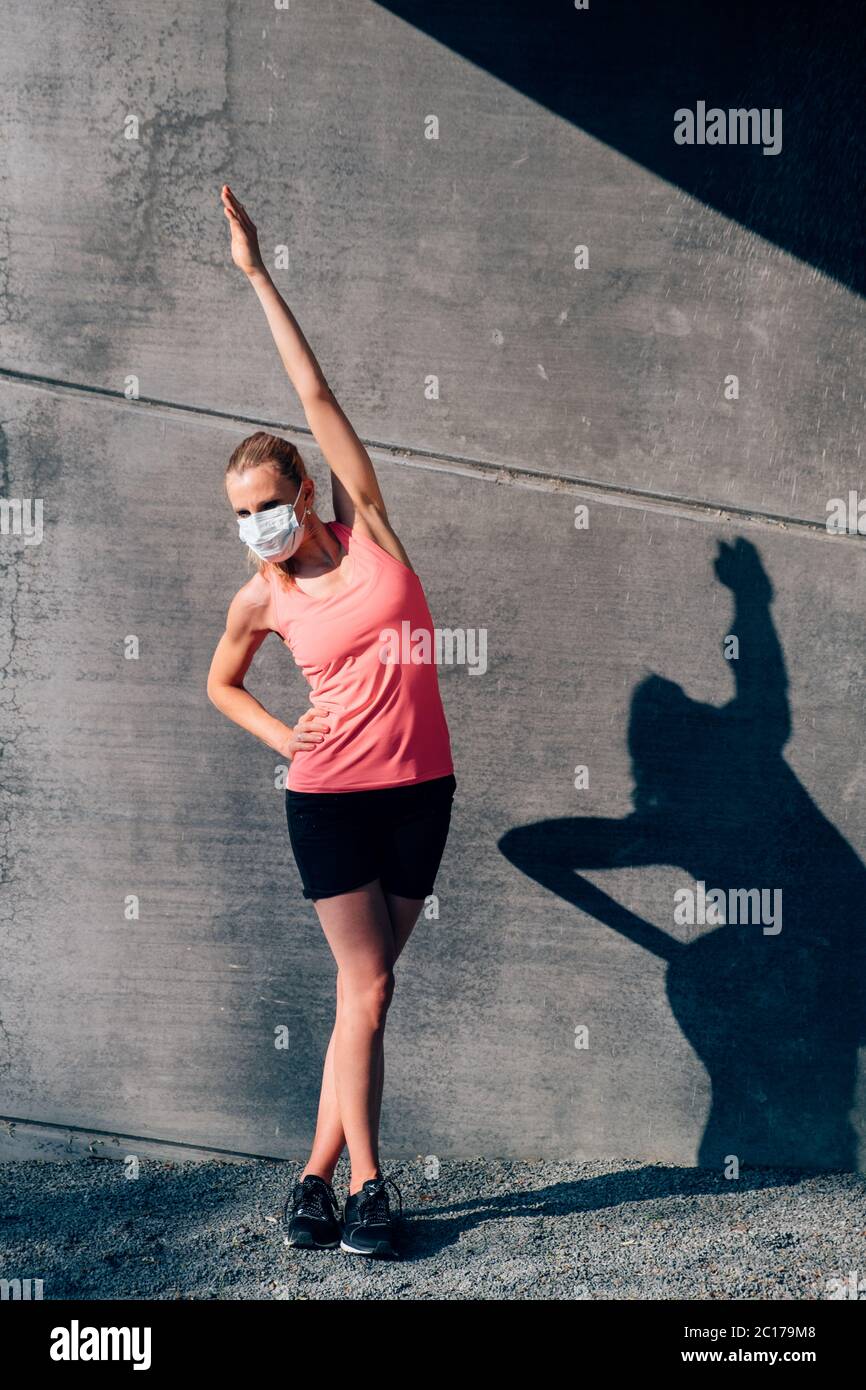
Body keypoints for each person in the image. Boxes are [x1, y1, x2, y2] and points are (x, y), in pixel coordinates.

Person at [207, 185, 456, 1260]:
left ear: (303, 490)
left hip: (419, 793)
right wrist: (282, 738)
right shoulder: (260, 596)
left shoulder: (370, 535)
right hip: (328, 803)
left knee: (361, 997)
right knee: (373, 983)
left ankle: (306, 1182)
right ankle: (365, 1186)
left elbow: (313, 390)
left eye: (266, 501)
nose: (255, 524)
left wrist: (257, 273)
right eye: (238, 514)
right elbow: (219, 683)